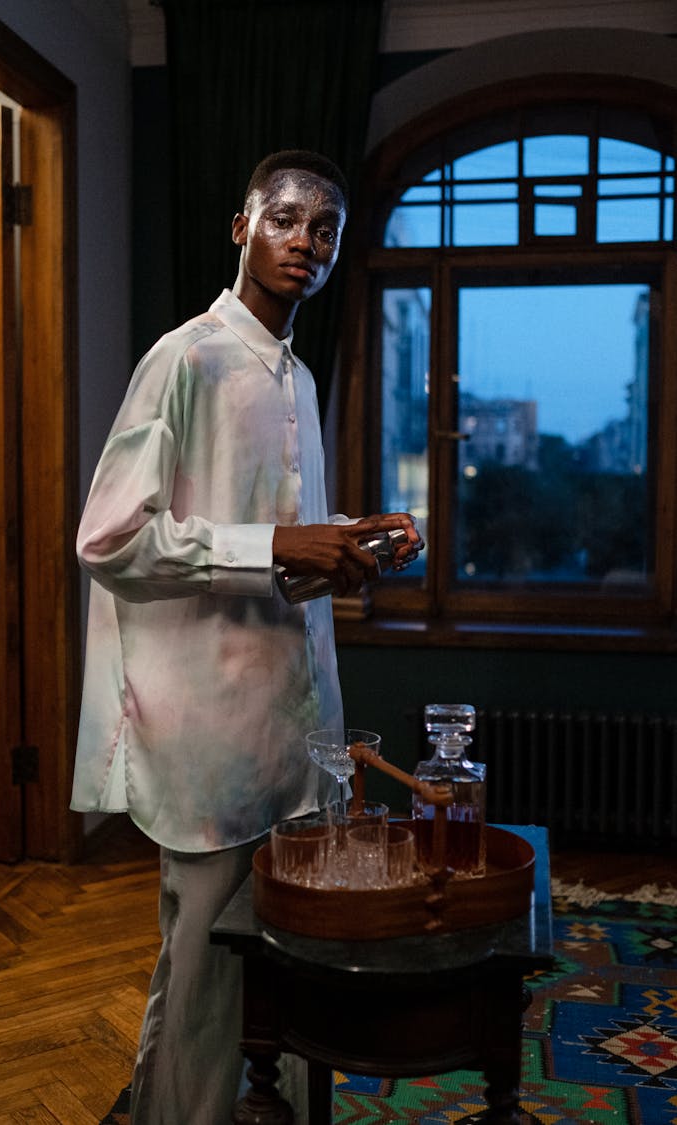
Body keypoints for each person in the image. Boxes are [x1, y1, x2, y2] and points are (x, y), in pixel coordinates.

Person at [71, 149, 423, 1124]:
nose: (305, 241)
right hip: (210, 734)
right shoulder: (184, 359)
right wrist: (275, 543)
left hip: (298, 724)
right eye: (286, 219)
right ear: (241, 229)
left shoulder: (300, 379)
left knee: (297, 961)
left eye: (325, 230)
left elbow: (279, 541)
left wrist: (352, 540)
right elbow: (108, 537)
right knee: (205, 973)